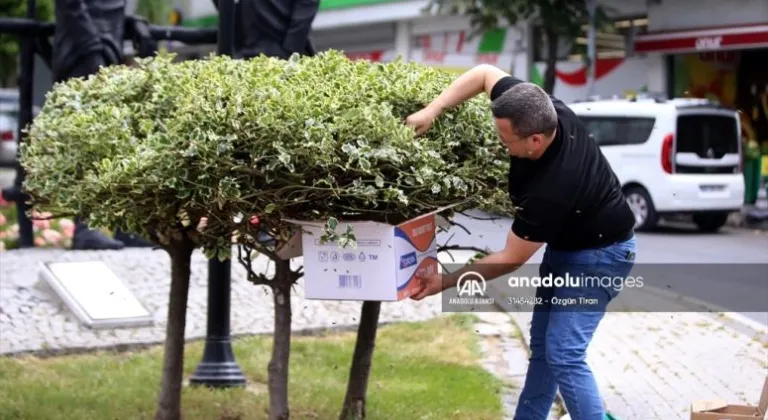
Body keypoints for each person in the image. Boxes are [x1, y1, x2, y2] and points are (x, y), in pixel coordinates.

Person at [405, 64, 638, 420]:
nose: (502, 146)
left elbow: (511, 257)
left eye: (505, 141)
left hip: (600, 256)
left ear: (535, 140)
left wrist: (447, 282)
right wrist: (433, 109)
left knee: (564, 353)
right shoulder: (540, 108)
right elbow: (484, 74)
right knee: (544, 350)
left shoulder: (554, 188)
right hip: (567, 247)